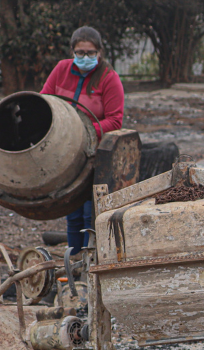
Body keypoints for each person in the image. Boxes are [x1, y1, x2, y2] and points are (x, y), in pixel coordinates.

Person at [40, 26, 125, 255]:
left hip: (94, 154)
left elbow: (115, 120)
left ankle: (93, 261)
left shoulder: (108, 78)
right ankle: (74, 261)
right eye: (80, 53)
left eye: (90, 53)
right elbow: (45, 101)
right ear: (72, 51)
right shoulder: (61, 70)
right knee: (72, 211)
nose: (85, 57)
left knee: (90, 212)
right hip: (66, 154)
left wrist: (83, 133)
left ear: (99, 52)